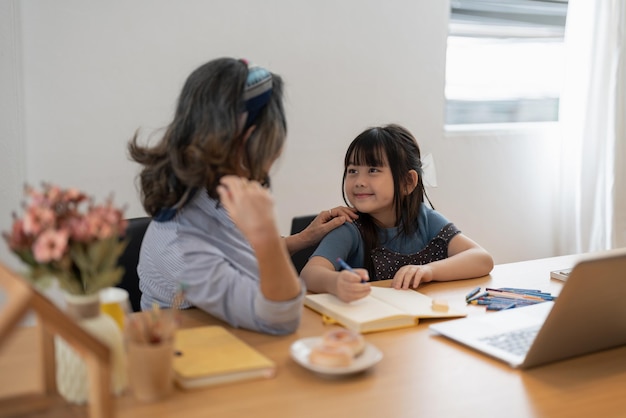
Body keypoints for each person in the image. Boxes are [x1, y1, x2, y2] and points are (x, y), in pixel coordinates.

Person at [127, 57, 357, 335]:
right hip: (194, 355)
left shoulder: (213, 196)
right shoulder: (180, 242)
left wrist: (301, 239)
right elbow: (280, 318)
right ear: (247, 139)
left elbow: (238, 255)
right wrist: (266, 231)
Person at [300, 124, 494, 303]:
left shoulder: (424, 219)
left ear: (407, 182)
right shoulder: (349, 227)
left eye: (373, 170)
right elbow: (309, 273)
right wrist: (335, 282)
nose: (359, 181)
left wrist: (428, 270)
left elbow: (482, 259)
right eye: (352, 171)